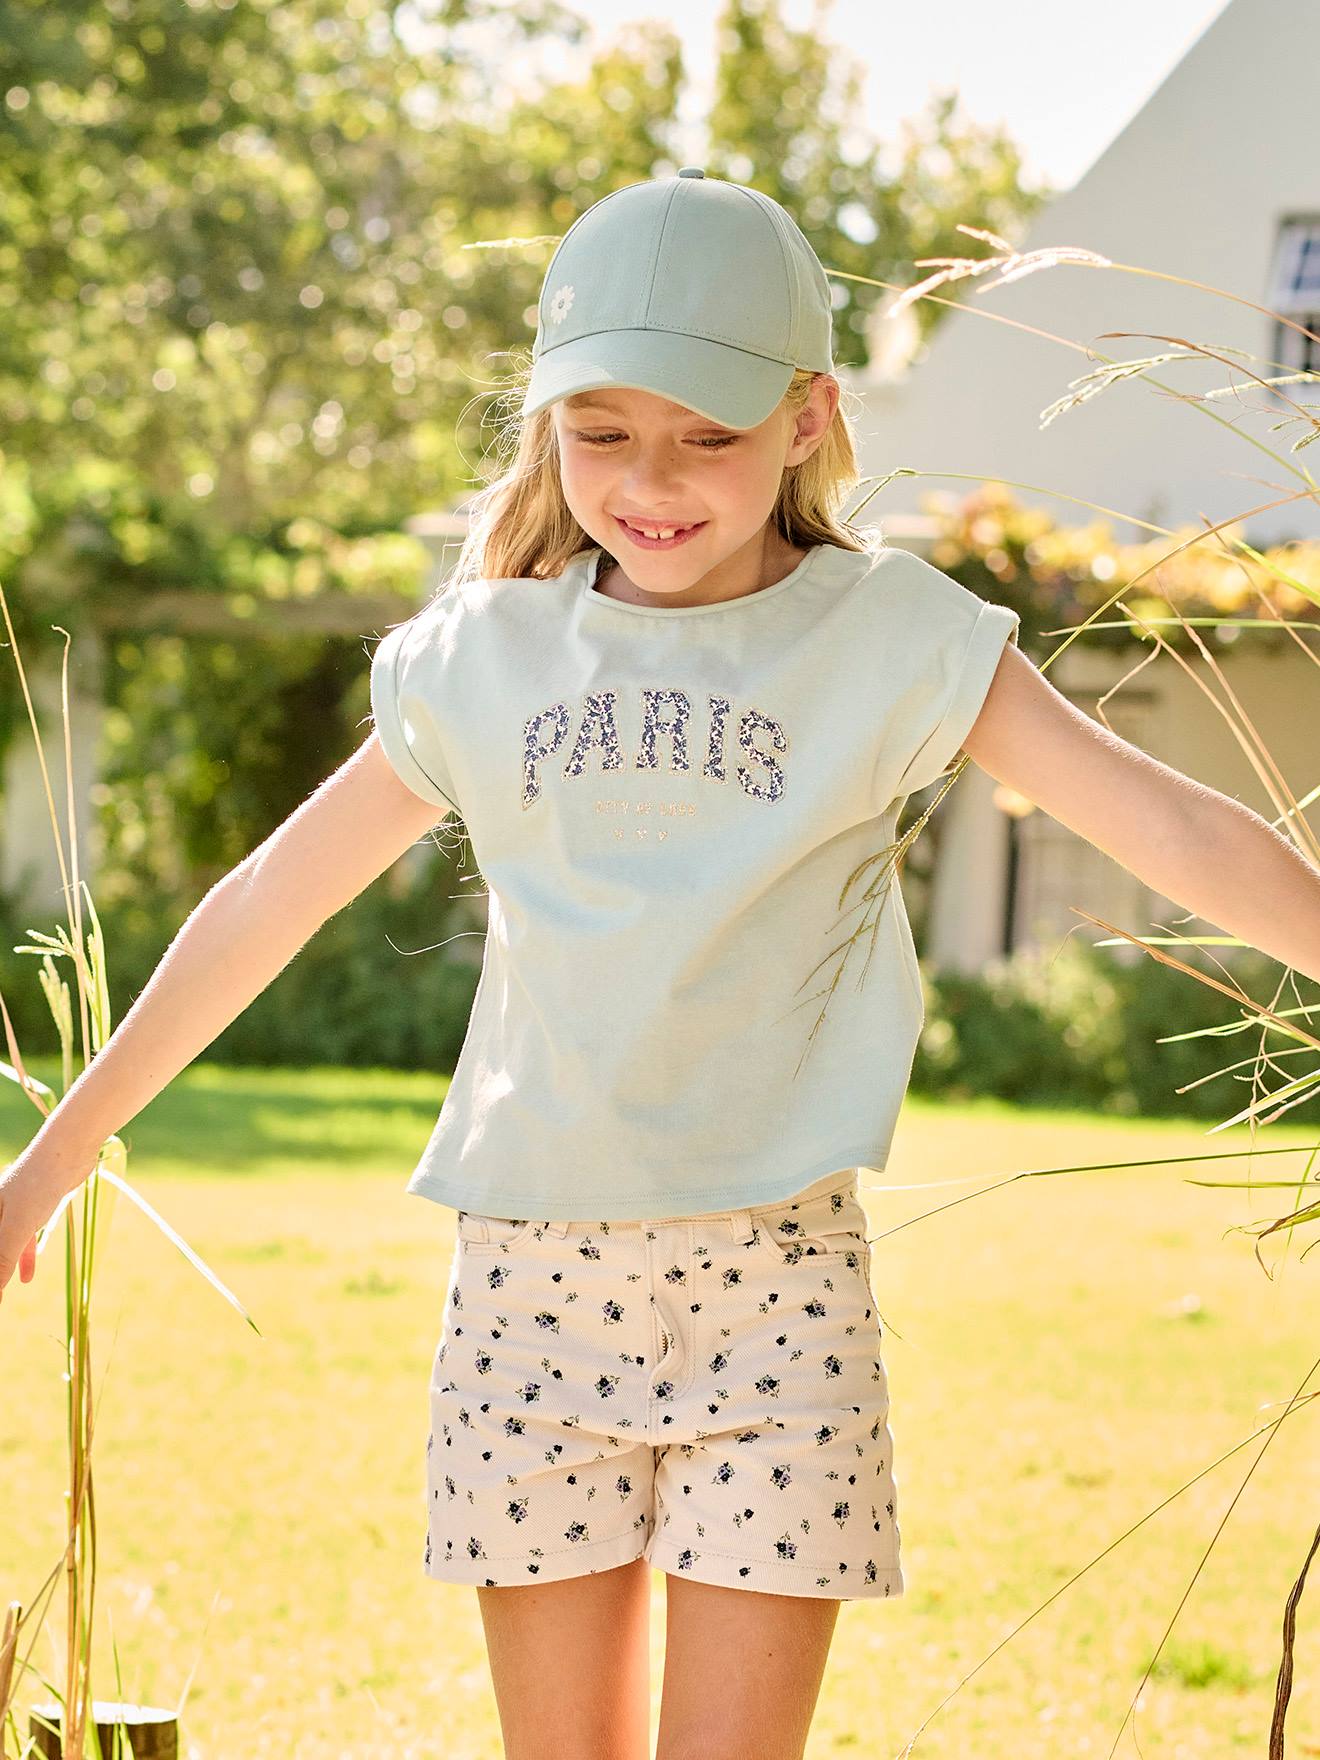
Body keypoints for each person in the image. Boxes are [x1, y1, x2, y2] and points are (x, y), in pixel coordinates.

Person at [3, 170, 1319, 1760]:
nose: (654, 479)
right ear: (549, 420)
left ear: (810, 418)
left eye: (709, 432)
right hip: (529, 1294)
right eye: (603, 429)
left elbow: (1169, 825)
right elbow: (269, 899)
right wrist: (57, 1155)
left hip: (782, 1293)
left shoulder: (893, 636)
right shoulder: (482, 654)